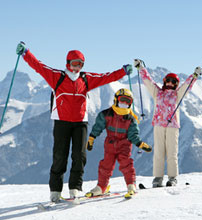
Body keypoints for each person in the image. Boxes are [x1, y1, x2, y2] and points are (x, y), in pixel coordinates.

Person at [16, 42, 133, 202]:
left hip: (80, 123)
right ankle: (55, 190)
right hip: (61, 122)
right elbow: (39, 66)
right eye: (74, 63)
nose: (77, 67)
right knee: (60, 156)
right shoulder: (57, 77)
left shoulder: (86, 79)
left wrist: (123, 72)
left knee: (79, 155)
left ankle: (75, 188)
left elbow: (106, 78)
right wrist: (25, 53)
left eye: (80, 64)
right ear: (68, 63)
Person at [134, 59, 201, 187]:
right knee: (159, 152)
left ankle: (172, 178)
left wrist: (194, 75)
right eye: (168, 81)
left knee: (172, 152)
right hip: (159, 125)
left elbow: (187, 86)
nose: (170, 83)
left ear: (176, 84)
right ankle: (158, 178)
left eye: (173, 82)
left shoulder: (177, 94)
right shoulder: (158, 93)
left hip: (172, 126)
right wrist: (141, 68)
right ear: (164, 82)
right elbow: (149, 82)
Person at [86, 88, 152, 196]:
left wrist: (139, 143)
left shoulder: (130, 119)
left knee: (126, 164)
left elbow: (133, 134)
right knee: (106, 165)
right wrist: (92, 138)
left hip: (124, 144)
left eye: (127, 102)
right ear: (116, 100)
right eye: (122, 100)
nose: (124, 103)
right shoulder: (107, 114)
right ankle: (101, 187)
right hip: (110, 144)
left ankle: (131, 184)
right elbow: (98, 126)